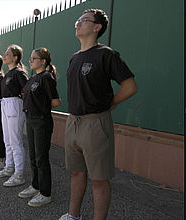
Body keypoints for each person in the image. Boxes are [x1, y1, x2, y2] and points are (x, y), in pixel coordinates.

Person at [59, 9, 138, 220]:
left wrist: (109, 103)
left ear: (97, 27)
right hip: (73, 121)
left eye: (84, 20)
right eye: (78, 20)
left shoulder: (106, 54)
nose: (78, 23)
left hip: (95, 124)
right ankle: (72, 215)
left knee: (99, 179)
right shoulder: (74, 58)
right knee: (77, 173)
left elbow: (130, 87)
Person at [19, 48, 61, 207]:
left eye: (34, 58)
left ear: (43, 61)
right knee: (33, 156)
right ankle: (35, 185)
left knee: (41, 157)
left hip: (41, 120)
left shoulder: (46, 77)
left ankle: (45, 193)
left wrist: (40, 106)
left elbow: (56, 102)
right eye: (30, 58)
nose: (30, 61)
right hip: (30, 119)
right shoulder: (33, 78)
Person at [0, 44, 28, 187]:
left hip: (14, 104)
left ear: (15, 58)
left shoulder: (18, 72)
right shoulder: (8, 73)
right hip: (5, 104)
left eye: (8, 54)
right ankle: (9, 167)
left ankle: (19, 174)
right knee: (7, 140)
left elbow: (27, 89)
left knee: (16, 141)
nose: (4, 56)